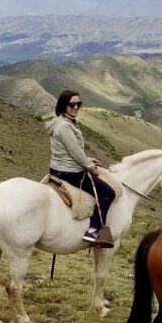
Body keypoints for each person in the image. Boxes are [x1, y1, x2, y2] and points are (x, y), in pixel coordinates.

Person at [47, 90, 115, 246]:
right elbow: (75, 152)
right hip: (69, 172)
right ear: (63, 105)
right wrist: (91, 167)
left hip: (59, 168)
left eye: (79, 104)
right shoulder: (64, 126)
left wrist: (89, 159)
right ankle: (93, 230)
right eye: (72, 104)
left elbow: (70, 151)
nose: (76, 107)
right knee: (107, 193)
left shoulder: (61, 122)